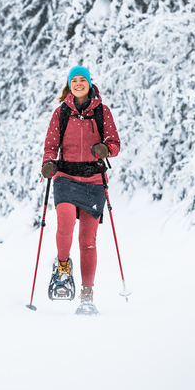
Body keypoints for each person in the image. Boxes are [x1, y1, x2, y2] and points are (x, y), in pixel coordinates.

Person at [41, 65, 120, 315]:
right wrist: (48, 163)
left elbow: (115, 142)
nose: (78, 84)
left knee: (88, 241)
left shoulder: (102, 112)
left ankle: (87, 294)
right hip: (65, 176)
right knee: (64, 222)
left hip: (94, 179)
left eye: (82, 80)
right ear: (69, 85)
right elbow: (51, 145)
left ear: (88, 83)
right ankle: (62, 267)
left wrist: (105, 150)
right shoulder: (61, 112)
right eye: (73, 80)